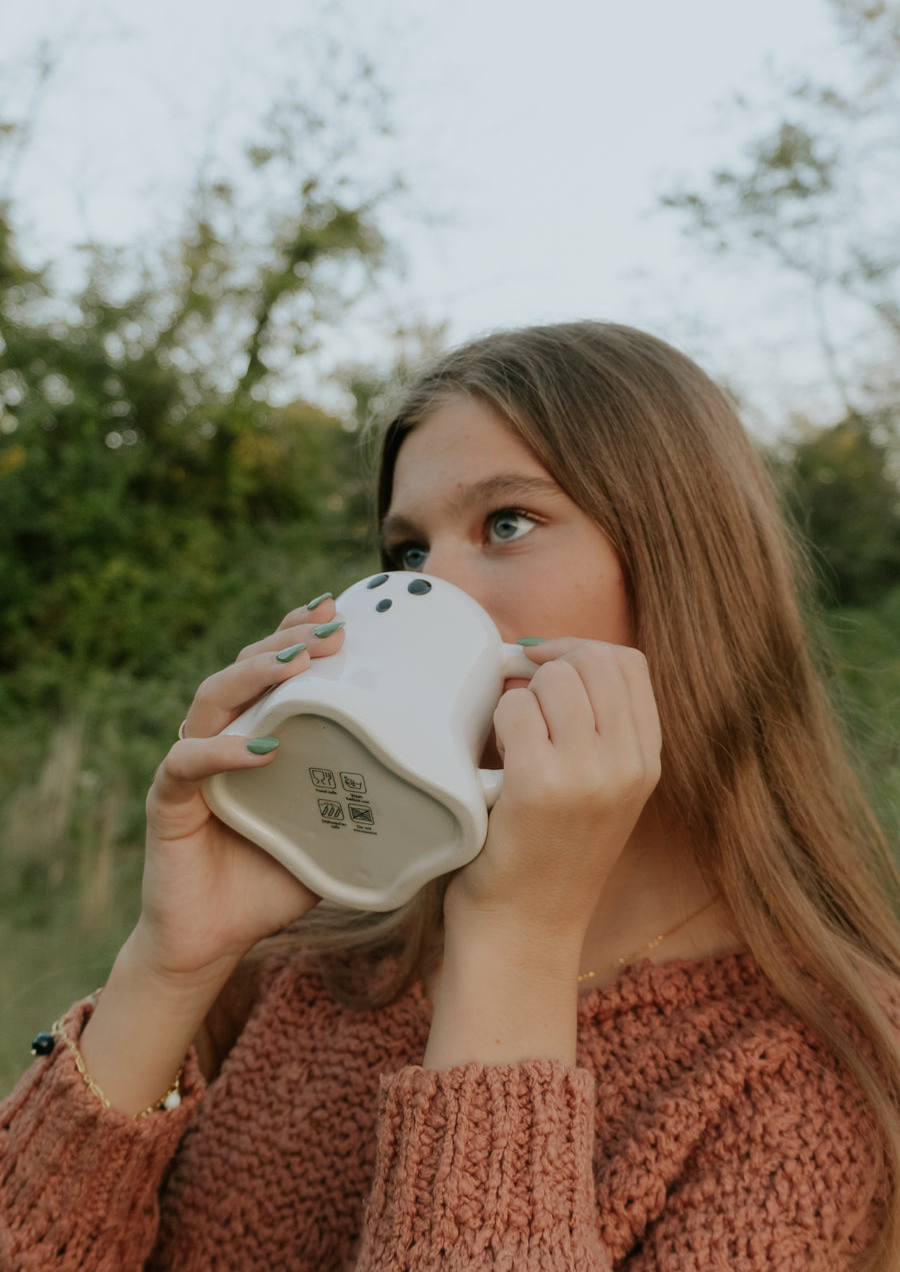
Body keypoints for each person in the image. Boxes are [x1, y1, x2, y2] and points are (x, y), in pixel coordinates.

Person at [2, 320, 899, 1271]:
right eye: (408, 555)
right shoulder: (314, 956)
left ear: (686, 568)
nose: (438, 591)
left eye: (506, 523)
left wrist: (516, 938)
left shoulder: (822, 1064)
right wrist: (172, 967)